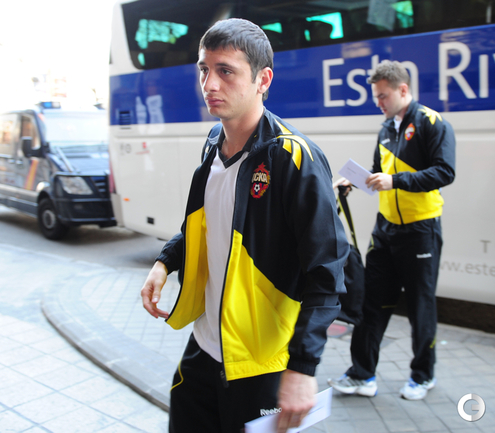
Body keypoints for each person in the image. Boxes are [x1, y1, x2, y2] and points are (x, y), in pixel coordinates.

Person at [140, 18, 349, 433]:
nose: (209, 84)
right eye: (204, 69)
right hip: (203, 350)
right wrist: (165, 262)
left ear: (262, 80)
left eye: (226, 71)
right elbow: (204, 224)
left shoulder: (293, 157)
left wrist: (303, 367)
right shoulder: (211, 145)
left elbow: (327, 273)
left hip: (262, 366)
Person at [329, 60, 456, 401]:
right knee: (371, 302)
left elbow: (445, 172)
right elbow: (378, 173)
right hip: (385, 230)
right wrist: (355, 182)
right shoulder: (386, 127)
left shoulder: (432, 123)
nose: (378, 103)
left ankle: (422, 376)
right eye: (376, 96)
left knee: (420, 306)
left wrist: (395, 180)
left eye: (383, 96)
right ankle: (362, 375)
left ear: (403, 89)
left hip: (421, 230)